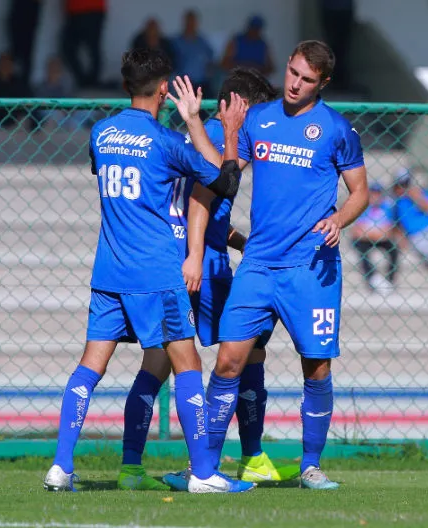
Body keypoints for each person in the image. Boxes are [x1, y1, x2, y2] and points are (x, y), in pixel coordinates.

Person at [42, 47, 253, 494]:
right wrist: (198, 121)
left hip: (108, 273)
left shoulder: (100, 133)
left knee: (89, 367)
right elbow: (225, 182)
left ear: (125, 86)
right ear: (164, 90)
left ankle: (61, 466)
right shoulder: (167, 142)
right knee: (188, 362)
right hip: (156, 274)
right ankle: (203, 474)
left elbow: (105, 171)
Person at [192, 40, 368, 490]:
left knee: (317, 365)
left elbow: (361, 193)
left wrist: (338, 220)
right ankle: (206, 470)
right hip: (258, 265)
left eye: (306, 79)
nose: (294, 84)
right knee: (229, 361)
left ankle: (310, 465)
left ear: (322, 83)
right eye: (292, 72)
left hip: (310, 268)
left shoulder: (337, 129)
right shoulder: (260, 119)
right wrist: (225, 131)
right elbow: (222, 177)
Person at [116, 68, 300, 492]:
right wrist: (200, 255)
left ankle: (131, 466)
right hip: (200, 263)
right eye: (258, 111)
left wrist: (238, 241)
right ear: (240, 107)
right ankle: (242, 459)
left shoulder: (203, 135)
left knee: (160, 363)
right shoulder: (223, 137)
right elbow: (200, 200)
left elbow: (202, 208)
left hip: (182, 255)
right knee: (245, 351)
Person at [349, 182, 399, 294]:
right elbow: (357, 231)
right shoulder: (362, 206)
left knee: (394, 250)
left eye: (378, 194)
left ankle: (389, 280)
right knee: (361, 251)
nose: (376, 197)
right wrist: (377, 233)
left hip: (380, 239)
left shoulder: (388, 206)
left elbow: (389, 231)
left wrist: (368, 232)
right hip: (366, 240)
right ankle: (372, 278)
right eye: (373, 194)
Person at [60, 0, 106, 89]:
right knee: (68, 48)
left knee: (92, 47)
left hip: (92, 9)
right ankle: (84, 81)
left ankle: (92, 81)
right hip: (75, 10)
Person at [171, 10, 214, 95]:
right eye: (189, 21)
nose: (191, 24)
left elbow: (211, 60)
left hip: (202, 83)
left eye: (193, 21)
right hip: (183, 82)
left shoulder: (203, 42)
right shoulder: (176, 42)